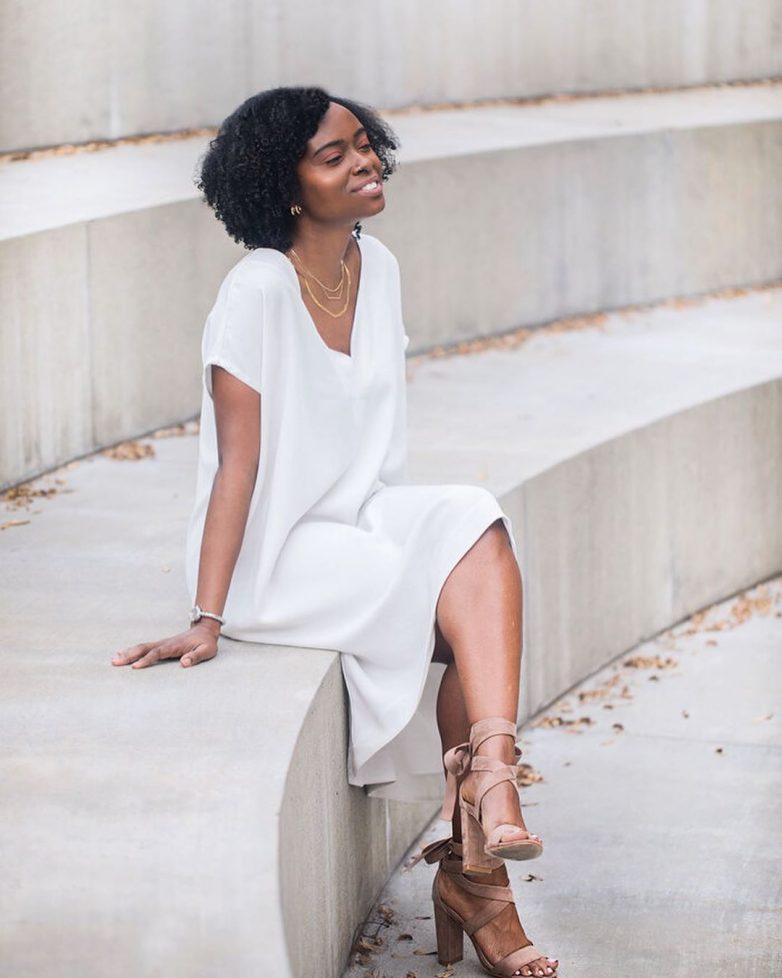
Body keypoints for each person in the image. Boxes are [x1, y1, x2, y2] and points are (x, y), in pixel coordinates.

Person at [110, 86, 558, 978]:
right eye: (334, 155)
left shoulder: (374, 265)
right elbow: (237, 467)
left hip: (361, 513)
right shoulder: (255, 291)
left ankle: (490, 779)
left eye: (364, 144)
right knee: (460, 611)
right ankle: (482, 868)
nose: (365, 163)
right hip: (280, 553)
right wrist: (208, 614)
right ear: (284, 187)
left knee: (474, 520)